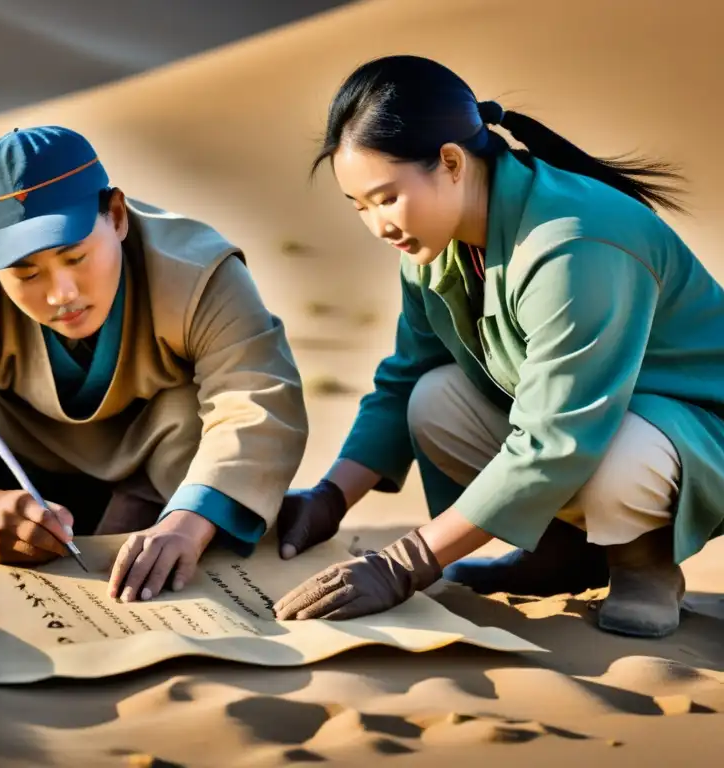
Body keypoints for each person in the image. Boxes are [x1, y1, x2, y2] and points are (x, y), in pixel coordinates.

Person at [272, 54, 724, 639]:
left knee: (619, 447)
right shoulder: (435, 245)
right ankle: (556, 553)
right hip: (585, 426)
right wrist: (331, 497)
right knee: (434, 398)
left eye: (386, 197)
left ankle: (642, 565)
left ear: (452, 163)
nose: (377, 224)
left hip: (693, 437)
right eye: (359, 206)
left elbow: (557, 438)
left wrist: (406, 562)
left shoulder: (573, 244)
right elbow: (405, 377)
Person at [0, 125, 309, 603]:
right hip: (11, 478)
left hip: (157, 481)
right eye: (26, 272)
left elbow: (258, 400)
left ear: (118, 216)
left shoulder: (200, 272)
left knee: (193, 411)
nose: (61, 293)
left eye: (75, 256)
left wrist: (189, 523)